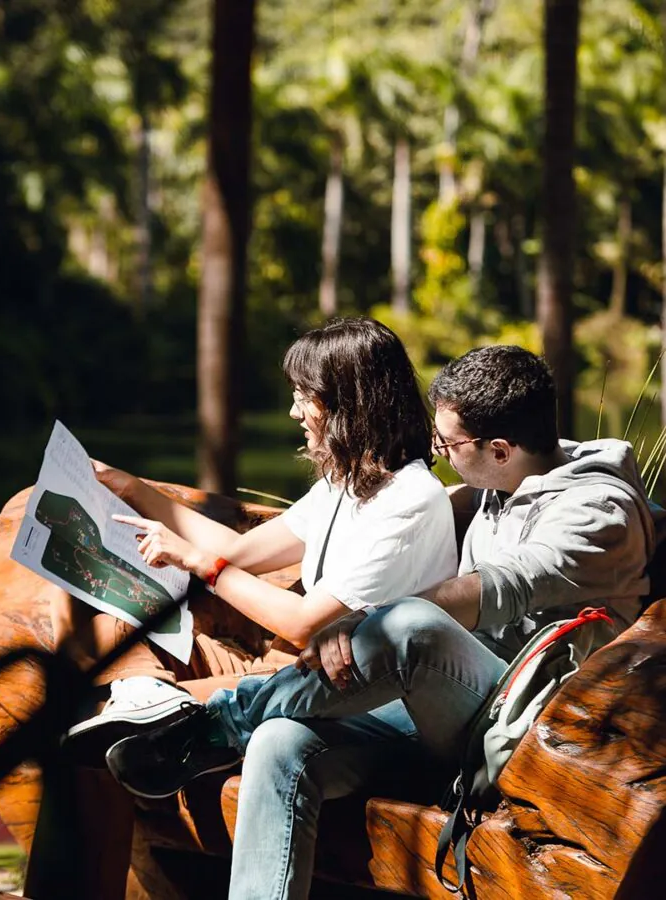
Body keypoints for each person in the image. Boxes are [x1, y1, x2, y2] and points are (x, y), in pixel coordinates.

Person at [104, 345, 655, 900]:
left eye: (447, 443)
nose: (437, 452)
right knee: (278, 742)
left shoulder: (595, 514)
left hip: (525, 724)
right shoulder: (504, 481)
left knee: (410, 625)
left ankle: (214, 724)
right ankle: (232, 737)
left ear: (500, 449)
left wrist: (371, 621)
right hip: (445, 706)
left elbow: (497, 586)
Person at [58, 316, 457, 762]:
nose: (293, 412)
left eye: (305, 398)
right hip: (282, 666)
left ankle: (159, 712)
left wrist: (199, 563)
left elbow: (302, 623)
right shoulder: (343, 484)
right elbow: (239, 551)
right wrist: (129, 486)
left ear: (350, 403)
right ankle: (147, 699)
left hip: (326, 686)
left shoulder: (409, 499)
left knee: (108, 711)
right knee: (105, 625)